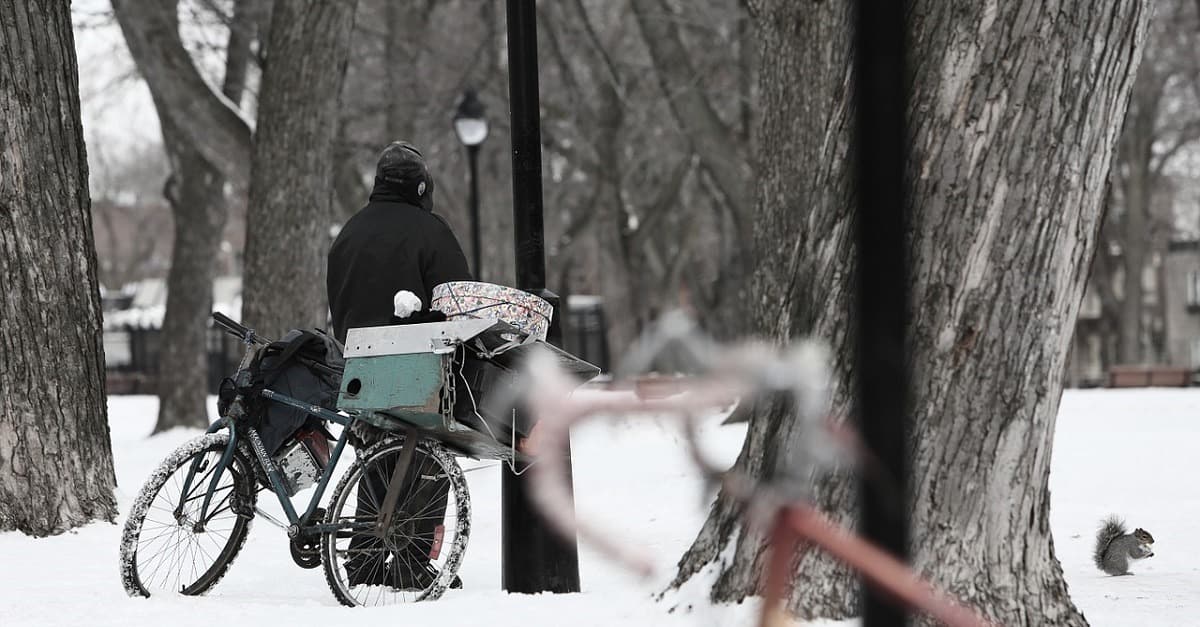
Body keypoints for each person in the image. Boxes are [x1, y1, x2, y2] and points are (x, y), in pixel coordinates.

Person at [327, 141, 471, 590]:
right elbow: (457, 299)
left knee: (374, 460)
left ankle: (366, 559)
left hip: (359, 366)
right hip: (416, 364)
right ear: (421, 187)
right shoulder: (430, 230)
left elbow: (337, 300)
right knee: (428, 459)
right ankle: (411, 561)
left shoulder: (348, 232)